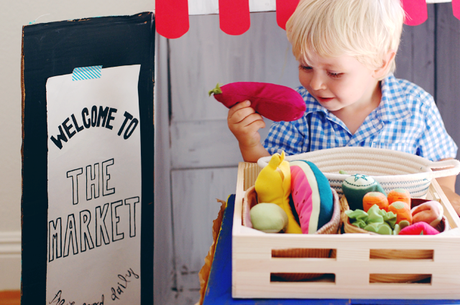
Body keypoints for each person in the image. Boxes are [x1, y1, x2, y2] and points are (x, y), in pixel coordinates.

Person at [227, 0, 460, 214]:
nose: (316, 84)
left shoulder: (415, 106)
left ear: (379, 63)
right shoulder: (300, 111)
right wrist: (250, 143)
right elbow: (270, 176)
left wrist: (447, 194)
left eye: (334, 73)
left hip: (393, 235)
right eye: (306, 67)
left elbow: (442, 166)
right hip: (317, 235)